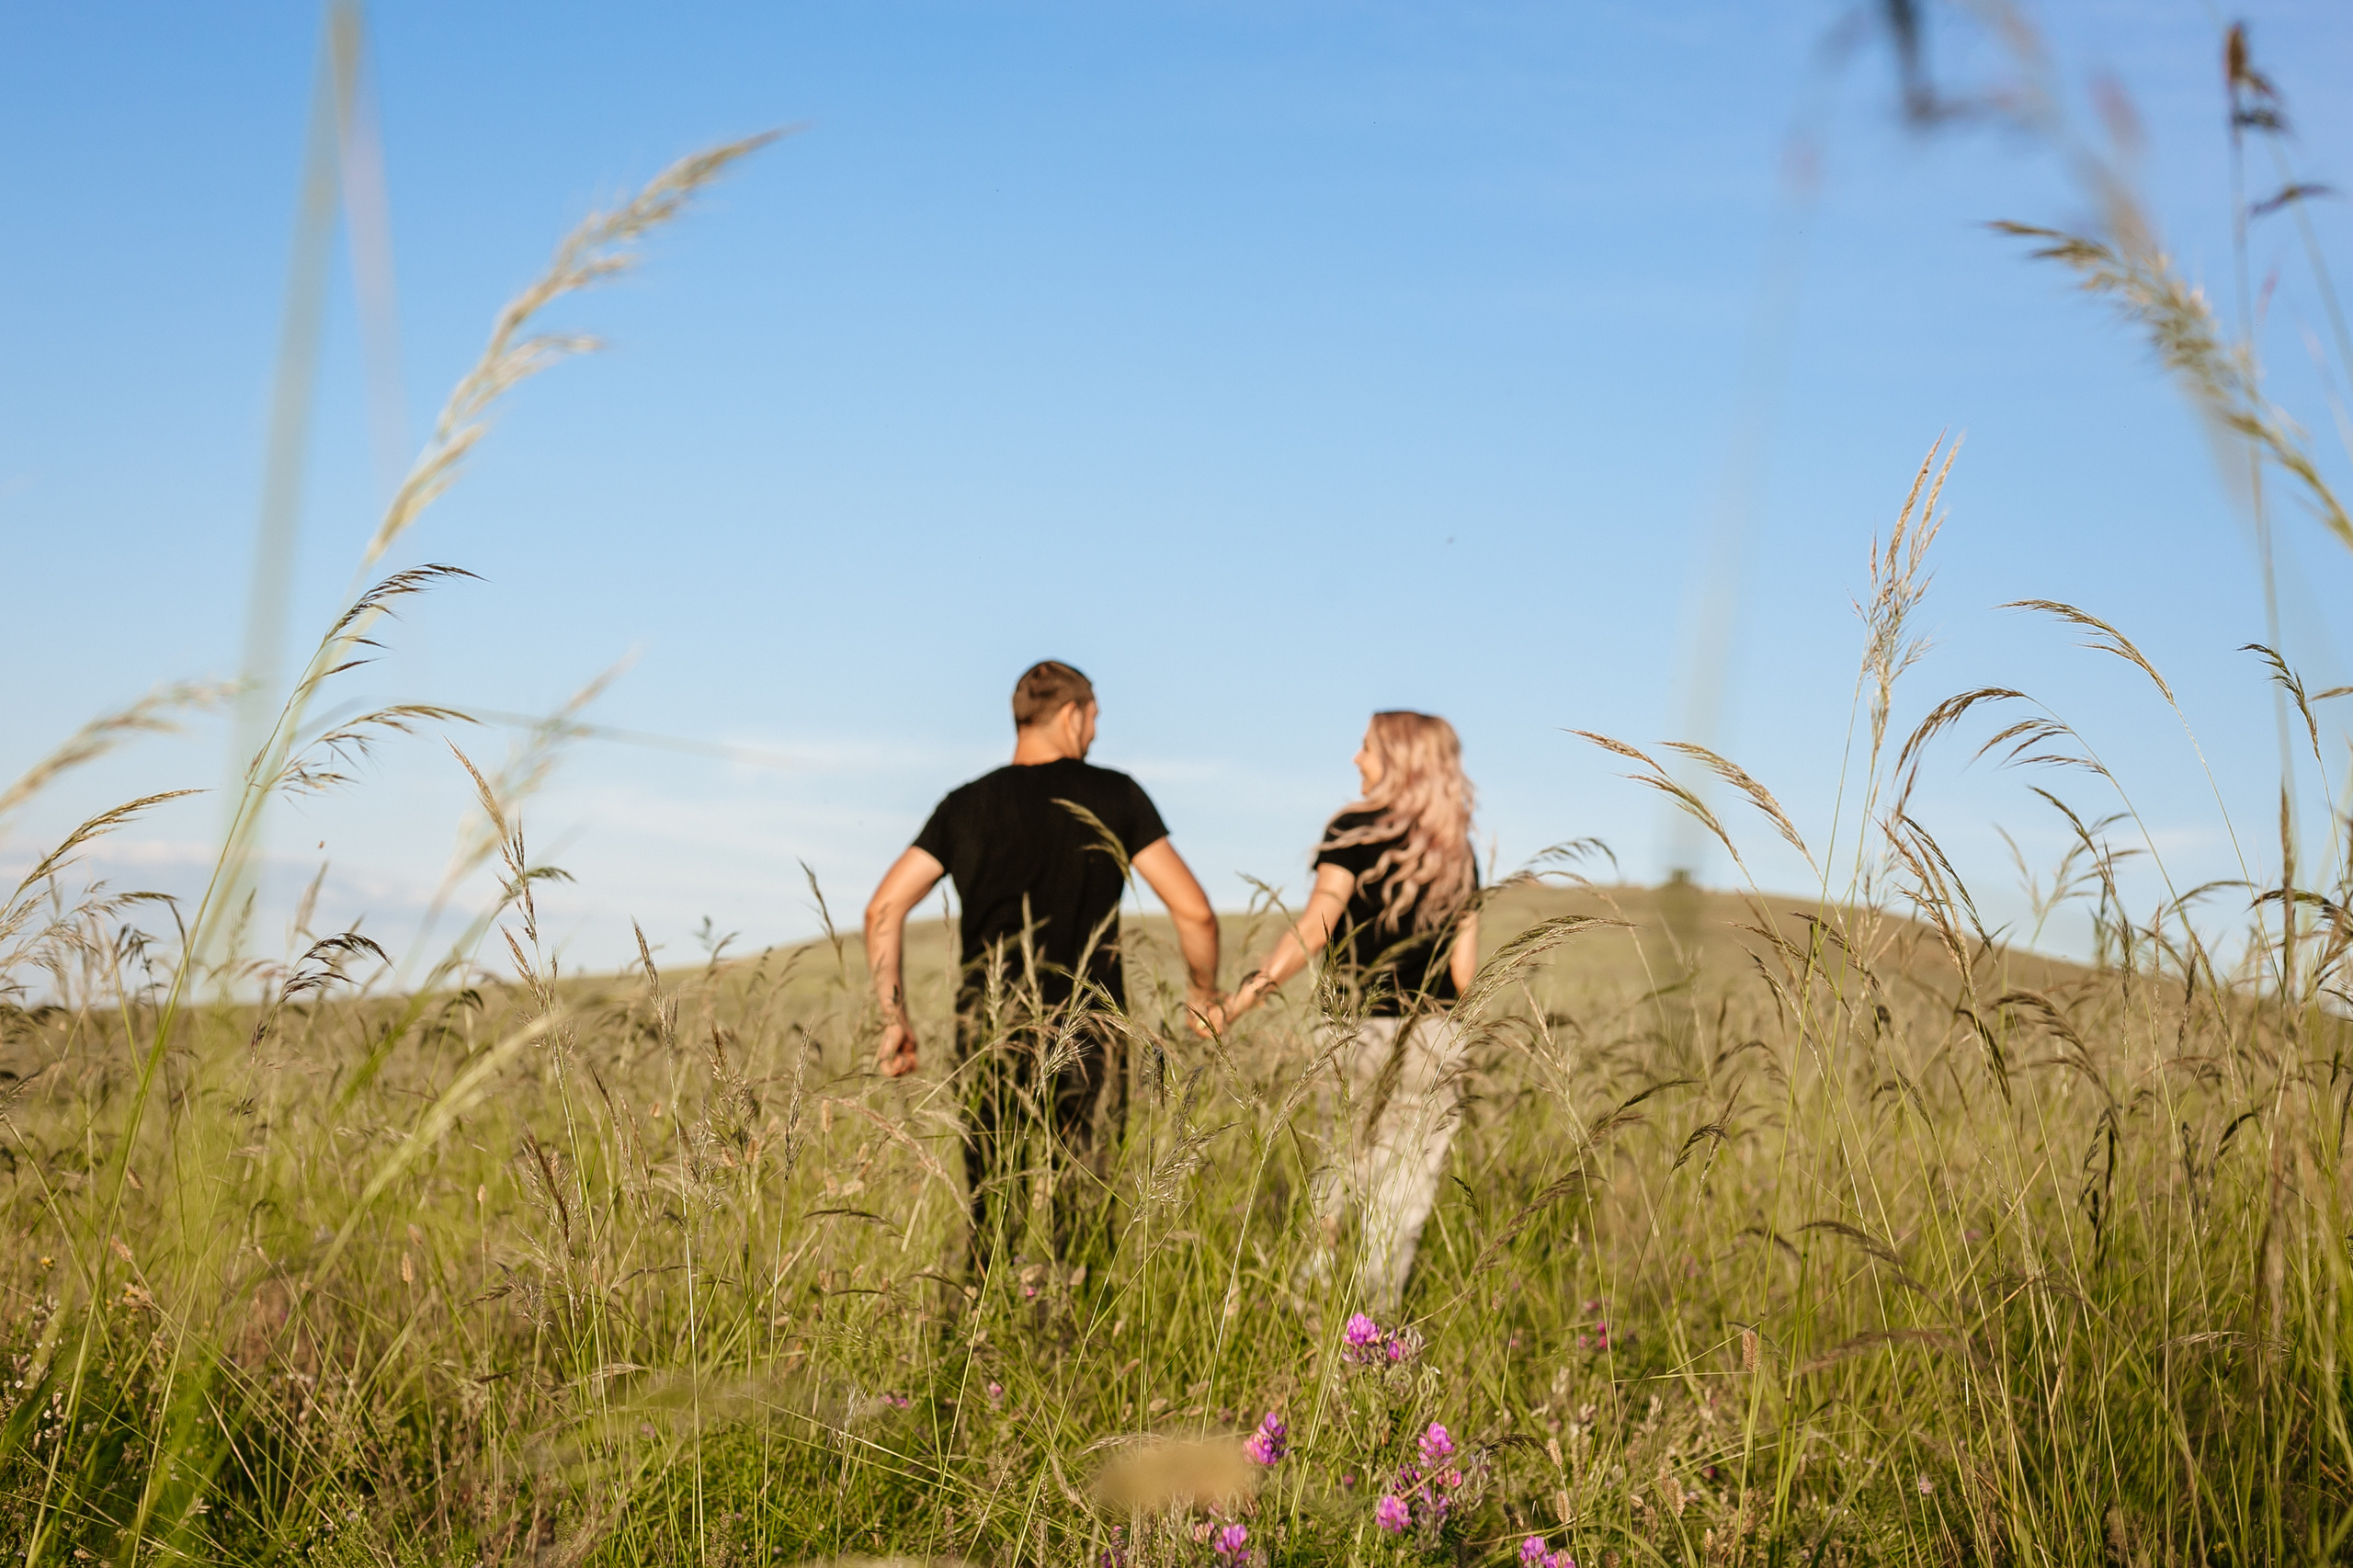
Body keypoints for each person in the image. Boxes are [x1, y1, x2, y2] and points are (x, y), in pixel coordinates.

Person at [862, 660, 1221, 1265]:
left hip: (990, 1030)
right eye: (1095, 718)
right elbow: (1195, 912)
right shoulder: (1117, 796)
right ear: (1071, 713)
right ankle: (1073, 1346)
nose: (1097, 733)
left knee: (992, 1203)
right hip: (1092, 1027)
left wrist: (893, 1016)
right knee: (1083, 1207)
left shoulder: (965, 806)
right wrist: (1203, 994)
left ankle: (979, 1334)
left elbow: (882, 909)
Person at [1210, 710, 1480, 1311]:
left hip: (1353, 1035)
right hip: (1434, 1038)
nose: (1356, 759)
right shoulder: (1456, 847)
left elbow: (1314, 929)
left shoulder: (1354, 830)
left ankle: (1311, 1315)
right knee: (1403, 1196)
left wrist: (1238, 1003)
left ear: (1398, 757)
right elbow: (1465, 975)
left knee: (1335, 1176)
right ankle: (1375, 1330)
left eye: (1365, 748)